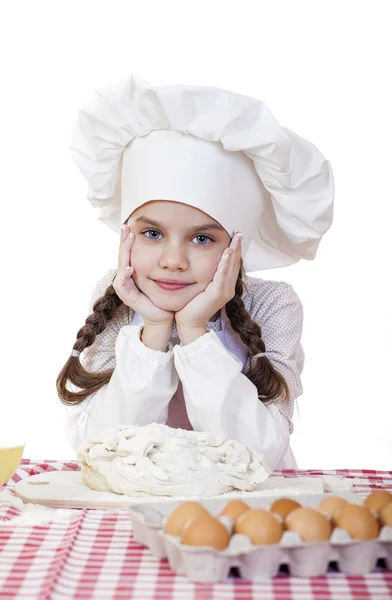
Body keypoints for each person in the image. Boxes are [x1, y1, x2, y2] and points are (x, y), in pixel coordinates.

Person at [56, 73, 334, 470]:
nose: (173, 260)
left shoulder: (274, 305)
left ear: (237, 246)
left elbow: (259, 454)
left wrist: (194, 332)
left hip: (244, 504)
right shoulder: (118, 293)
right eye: (152, 233)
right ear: (126, 235)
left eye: (202, 239)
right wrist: (153, 329)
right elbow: (101, 447)